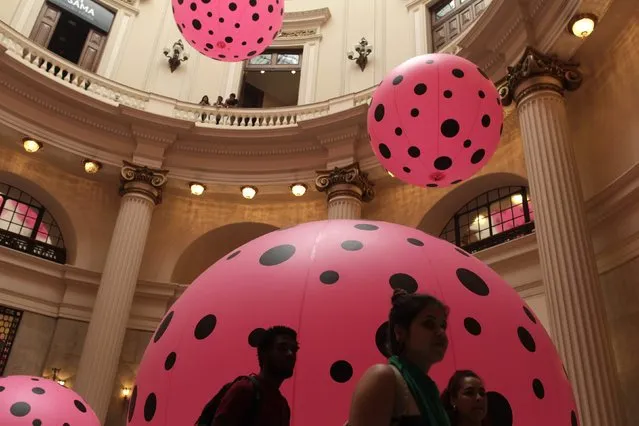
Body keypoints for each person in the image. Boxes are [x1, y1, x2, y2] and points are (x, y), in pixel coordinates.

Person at [348, 289, 451, 426]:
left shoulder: (431, 391)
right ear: (400, 332)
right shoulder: (382, 378)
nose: (441, 332)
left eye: (443, 325)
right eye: (429, 324)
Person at [202, 325, 298, 426]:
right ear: (264, 353)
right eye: (282, 348)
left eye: (294, 350)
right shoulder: (244, 390)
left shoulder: (283, 406)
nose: (290, 354)